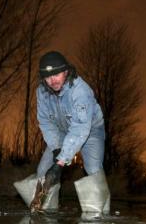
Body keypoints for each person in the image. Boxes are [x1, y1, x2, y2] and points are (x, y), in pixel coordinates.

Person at [29, 51, 109, 213]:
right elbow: (45, 121)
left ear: (66, 71)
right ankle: (44, 211)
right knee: (43, 171)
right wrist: (57, 148)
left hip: (90, 129)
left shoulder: (80, 91)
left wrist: (60, 163)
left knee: (93, 169)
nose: (52, 81)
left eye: (57, 74)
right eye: (48, 77)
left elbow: (80, 128)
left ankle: (100, 214)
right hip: (62, 130)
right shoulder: (42, 92)